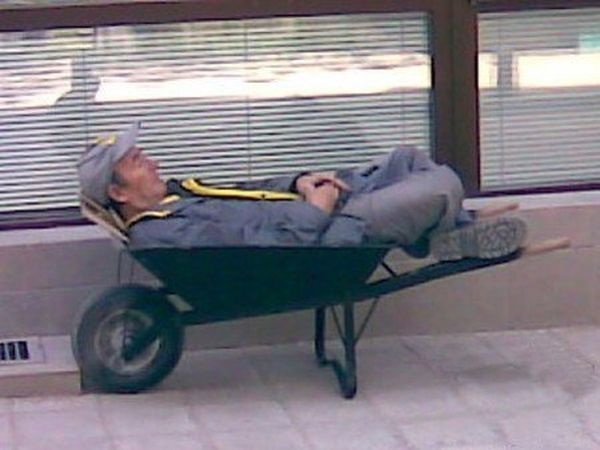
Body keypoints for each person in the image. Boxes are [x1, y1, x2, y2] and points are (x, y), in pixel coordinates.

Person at [77, 122, 526, 260]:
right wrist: (316, 209)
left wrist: (299, 182)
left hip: (320, 205)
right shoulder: (161, 233)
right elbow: (256, 248)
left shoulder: (179, 193)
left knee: (407, 157)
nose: (153, 162)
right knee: (443, 185)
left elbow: (250, 191)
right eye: (136, 162)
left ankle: (442, 234)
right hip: (333, 232)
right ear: (119, 193)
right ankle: (445, 230)